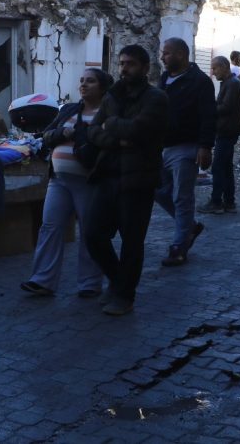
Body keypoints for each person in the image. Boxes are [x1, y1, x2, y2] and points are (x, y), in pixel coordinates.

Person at [84, 45, 168, 316]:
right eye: (121, 63)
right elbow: (93, 130)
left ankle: (124, 296)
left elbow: (140, 131)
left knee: (132, 242)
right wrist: (117, 136)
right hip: (107, 174)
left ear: (144, 68)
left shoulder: (156, 98)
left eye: (130, 64)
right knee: (93, 234)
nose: (124, 69)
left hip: (138, 180)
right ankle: (119, 282)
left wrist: (114, 127)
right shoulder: (112, 96)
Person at [20, 69, 111, 298]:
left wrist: (87, 134)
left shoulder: (109, 113)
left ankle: (90, 283)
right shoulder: (70, 109)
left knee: (89, 232)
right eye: (81, 80)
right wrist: (65, 132)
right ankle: (42, 280)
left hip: (89, 181)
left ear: (102, 87)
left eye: (90, 81)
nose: (83, 85)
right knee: (50, 227)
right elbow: (47, 135)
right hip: (59, 180)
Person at [155, 38, 216, 267]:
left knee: (182, 196)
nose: (163, 57)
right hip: (162, 146)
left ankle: (179, 246)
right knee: (159, 190)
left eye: (167, 53)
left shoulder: (199, 81)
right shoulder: (164, 79)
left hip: (186, 146)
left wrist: (205, 146)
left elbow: (209, 115)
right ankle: (189, 226)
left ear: (181, 54)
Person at [199, 56, 240, 215]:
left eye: (215, 68)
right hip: (227, 130)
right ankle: (229, 202)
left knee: (218, 167)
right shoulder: (229, 83)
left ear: (225, 67)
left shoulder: (232, 84)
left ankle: (216, 202)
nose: (213, 71)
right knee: (225, 167)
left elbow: (226, 108)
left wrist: (208, 108)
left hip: (227, 131)